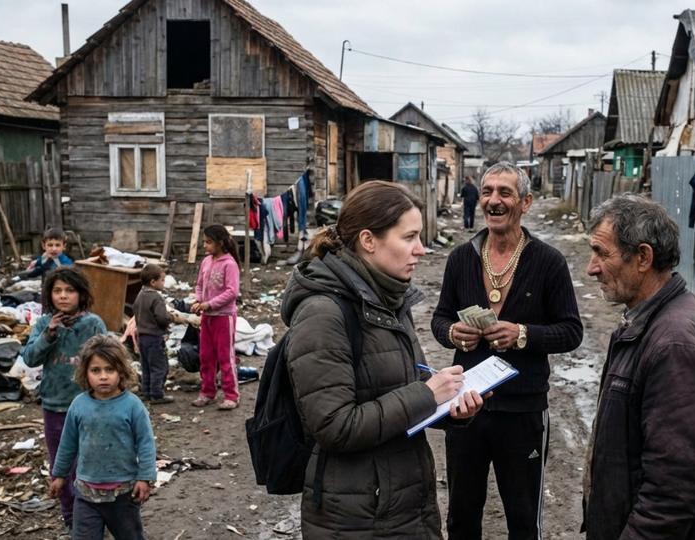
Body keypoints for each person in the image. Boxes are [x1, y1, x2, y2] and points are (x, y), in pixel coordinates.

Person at [280, 180, 485, 538]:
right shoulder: (322, 313)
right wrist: (427, 395)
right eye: (409, 238)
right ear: (368, 240)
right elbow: (334, 426)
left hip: (402, 502)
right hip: (357, 516)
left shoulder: (389, 299)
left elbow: (404, 387)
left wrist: (450, 404)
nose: (421, 249)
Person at [431, 162, 583, 540]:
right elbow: (439, 319)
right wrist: (454, 333)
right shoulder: (462, 258)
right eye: (487, 191)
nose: (493, 200)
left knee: (522, 517)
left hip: (523, 410)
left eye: (505, 193)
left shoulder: (548, 262)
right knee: (462, 516)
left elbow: (572, 331)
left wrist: (523, 334)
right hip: (466, 408)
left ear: (526, 202)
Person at [582, 194, 695, 540]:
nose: (591, 267)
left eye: (602, 253)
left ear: (643, 257)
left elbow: (675, 488)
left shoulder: (674, 343)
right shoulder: (650, 321)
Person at [22, 267, 108, 535]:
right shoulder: (44, 323)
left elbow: (106, 360)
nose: (63, 296)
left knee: (92, 463)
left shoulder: (92, 324)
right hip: (55, 405)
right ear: (49, 295)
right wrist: (49, 333)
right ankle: (71, 518)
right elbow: (30, 359)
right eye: (57, 290)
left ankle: (97, 515)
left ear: (82, 295)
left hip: (90, 406)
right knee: (62, 467)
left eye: (70, 290)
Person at [49, 335, 156, 540]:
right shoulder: (79, 405)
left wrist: (145, 477)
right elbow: (67, 444)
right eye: (95, 370)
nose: (103, 377)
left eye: (110, 369)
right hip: (86, 495)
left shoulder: (133, 406)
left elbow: (145, 443)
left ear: (121, 371)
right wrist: (60, 476)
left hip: (123, 495)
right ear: (85, 373)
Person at [189, 224, 241, 410]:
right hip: (207, 317)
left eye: (208, 242)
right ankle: (208, 391)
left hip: (223, 316)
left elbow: (232, 292)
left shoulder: (229, 264)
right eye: (204, 242)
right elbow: (199, 285)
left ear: (220, 243)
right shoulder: (206, 262)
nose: (205, 246)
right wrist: (198, 301)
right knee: (206, 356)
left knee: (225, 357)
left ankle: (231, 395)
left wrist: (209, 304)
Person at [132, 263, 173, 404]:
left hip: (142, 338)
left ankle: (147, 392)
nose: (163, 283)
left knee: (146, 366)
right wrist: (171, 318)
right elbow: (162, 317)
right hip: (154, 338)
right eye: (162, 280)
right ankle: (157, 394)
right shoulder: (156, 298)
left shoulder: (140, 296)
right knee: (159, 367)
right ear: (153, 282)